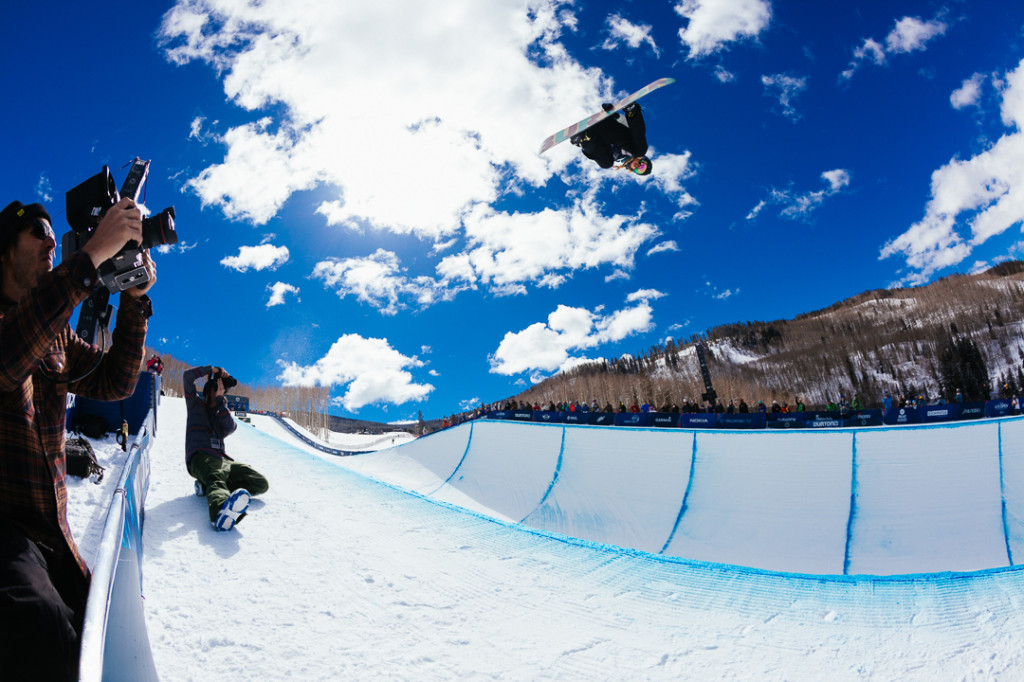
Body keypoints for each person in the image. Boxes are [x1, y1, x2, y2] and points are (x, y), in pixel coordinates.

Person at [0, 198, 155, 680]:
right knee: (41, 627)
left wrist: (133, 300)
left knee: (91, 628)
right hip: (5, 529)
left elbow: (115, 381)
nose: (51, 241)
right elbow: (7, 357)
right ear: (4, 250)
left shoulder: (57, 336)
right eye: (37, 231)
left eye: (54, 234)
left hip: (50, 534)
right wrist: (89, 258)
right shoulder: (20, 326)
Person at [183, 365, 269, 531]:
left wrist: (220, 403)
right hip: (200, 458)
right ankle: (221, 512)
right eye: (217, 390)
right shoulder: (195, 405)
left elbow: (230, 428)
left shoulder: (220, 412)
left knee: (260, 483)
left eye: (222, 392)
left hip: (222, 460)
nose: (220, 394)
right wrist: (213, 370)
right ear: (207, 393)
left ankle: (207, 486)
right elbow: (187, 376)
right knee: (215, 475)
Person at [571, 102, 652, 175]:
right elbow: (631, 129)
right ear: (643, 159)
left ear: (633, 170)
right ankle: (632, 112)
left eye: (639, 170)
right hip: (608, 126)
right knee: (640, 151)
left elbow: (596, 154)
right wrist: (616, 116)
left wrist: (581, 143)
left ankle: (583, 138)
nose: (638, 166)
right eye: (642, 166)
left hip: (593, 136)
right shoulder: (636, 149)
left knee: (606, 164)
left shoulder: (616, 164)